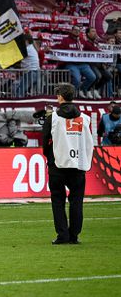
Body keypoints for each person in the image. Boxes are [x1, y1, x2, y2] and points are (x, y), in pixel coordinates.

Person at [43, 83, 94, 245]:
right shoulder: (84, 118)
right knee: (76, 201)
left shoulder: (53, 118)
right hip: (78, 164)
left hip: (57, 164)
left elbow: (45, 141)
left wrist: (50, 157)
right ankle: (74, 236)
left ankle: (62, 235)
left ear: (60, 97)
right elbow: (88, 141)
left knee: (58, 201)